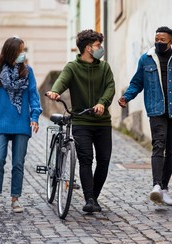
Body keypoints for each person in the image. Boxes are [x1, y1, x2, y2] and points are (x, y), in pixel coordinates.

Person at [118, 26, 172, 206]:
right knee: (158, 145)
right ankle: (156, 186)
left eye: (163, 40)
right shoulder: (146, 59)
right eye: (157, 39)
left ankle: (165, 188)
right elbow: (137, 82)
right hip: (156, 110)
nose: (159, 43)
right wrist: (126, 97)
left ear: (171, 42)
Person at [46, 29, 115, 213]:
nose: (101, 49)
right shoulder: (72, 67)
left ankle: (93, 196)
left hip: (102, 122)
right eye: (98, 46)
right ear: (87, 48)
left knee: (104, 161)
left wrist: (102, 103)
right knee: (86, 160)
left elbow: (110, 87)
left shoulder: (104, 68)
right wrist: (55, 91)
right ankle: (90, 199)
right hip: (82, 121)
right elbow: (62, 80)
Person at [0, 36, 42, 213]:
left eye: (24, 50)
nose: (23, 54)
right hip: (0, 124)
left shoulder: (28, 72)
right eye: (20, 50)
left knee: (18, 163)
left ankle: (15, 199)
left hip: (21, 125)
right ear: (11, 52)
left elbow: (33, 97)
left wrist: (35, 117)